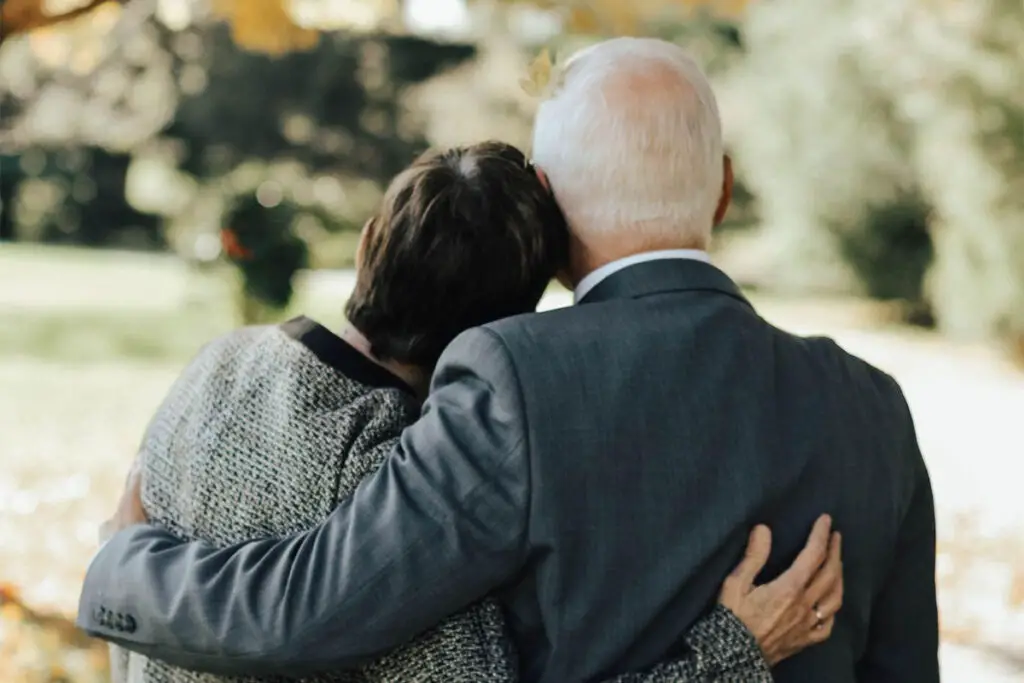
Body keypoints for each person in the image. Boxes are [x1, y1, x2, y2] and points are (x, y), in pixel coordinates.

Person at [78, 38, 936, 682]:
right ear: (722, 185)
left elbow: (308, 610)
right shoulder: (876, 407)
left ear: (553, 210)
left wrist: (125, 561)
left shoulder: (510, 379)